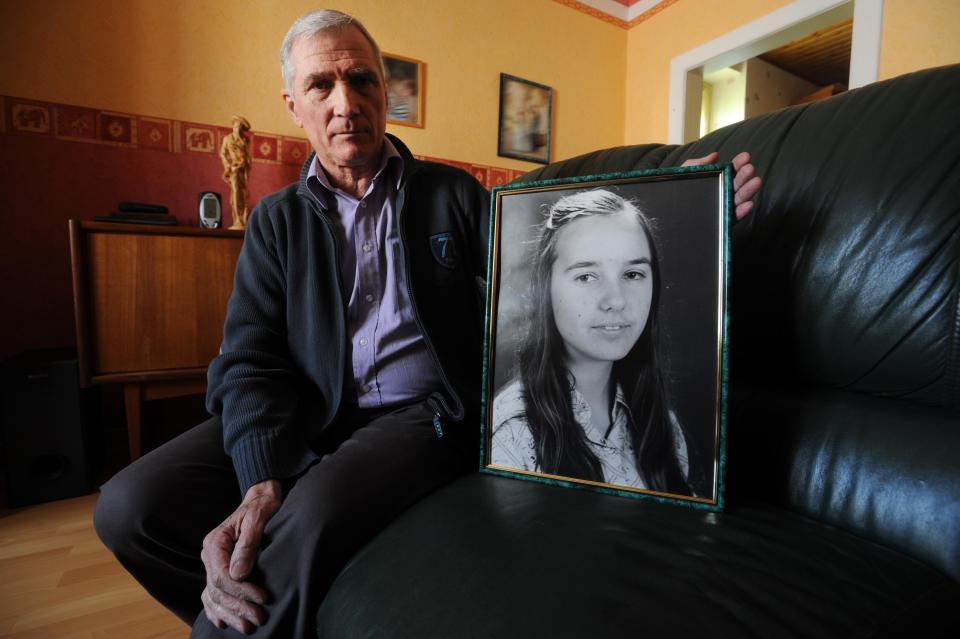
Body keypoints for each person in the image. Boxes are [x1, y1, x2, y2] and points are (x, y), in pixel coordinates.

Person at [94, 8, 762, 638]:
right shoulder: (276, 221)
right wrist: (260, 475)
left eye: (361, 79)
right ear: (293, 107)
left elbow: (550, 244)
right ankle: (243, 611)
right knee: (128, 508)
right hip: (308, 408)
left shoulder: (452, 193)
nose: (345, 102)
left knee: (308, 520)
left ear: (387, 92)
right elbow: (248, 359)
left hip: (425, 414)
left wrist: (680, 204)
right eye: (320, 85)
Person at [491, 189, 691, 495]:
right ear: (546, 289)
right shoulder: (512, 433)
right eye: (586, 276)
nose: (616, 301)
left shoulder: (662, 424)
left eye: (633, 274)